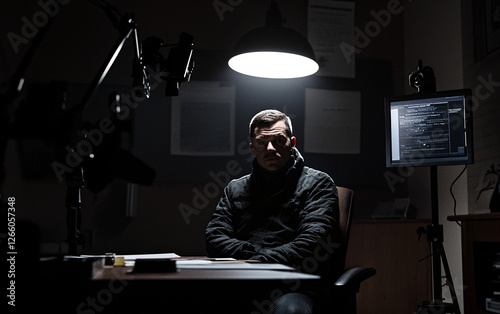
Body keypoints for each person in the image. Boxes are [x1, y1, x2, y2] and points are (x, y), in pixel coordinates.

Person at [205, 109, 341, 314]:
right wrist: (253, 257)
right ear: (252, 148)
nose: (270, 148)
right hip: (241, 285)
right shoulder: (236, 188)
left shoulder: (318, 184)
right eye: (262, 142)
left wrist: (259, 263)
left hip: (295, 287)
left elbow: (314, 241)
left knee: (291, 310)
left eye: (278, 141)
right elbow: (215, 236)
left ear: (292, 143)